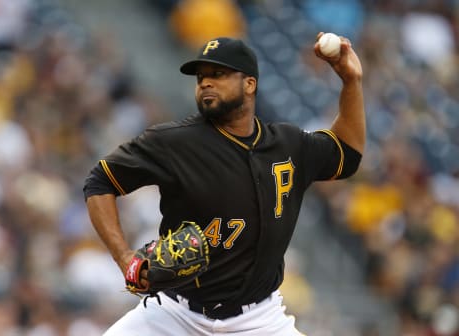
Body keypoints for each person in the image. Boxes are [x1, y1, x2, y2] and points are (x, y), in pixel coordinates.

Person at [83, 34, 365, 335]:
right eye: (201, 77)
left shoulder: (289, 144)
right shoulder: (173, 142)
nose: (205, 82)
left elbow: (347, 153)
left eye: (218, 74)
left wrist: (351, 82)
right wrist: (124, 257)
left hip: (258, 321)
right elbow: (99, 182)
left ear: (249, 84)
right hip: (175, 315)